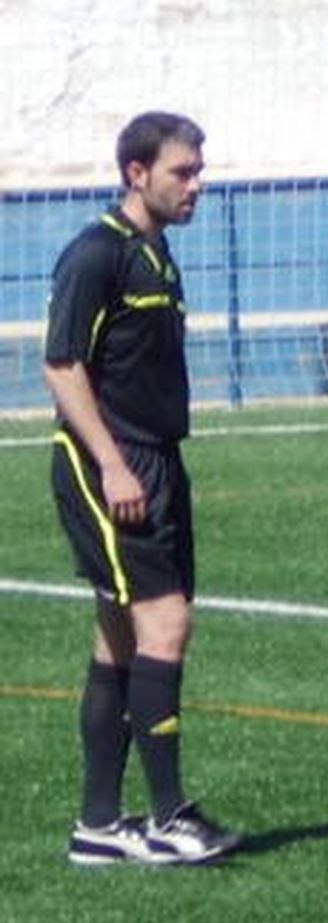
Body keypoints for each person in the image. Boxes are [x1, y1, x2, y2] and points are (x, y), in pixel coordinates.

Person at [44, 111, 241, 866]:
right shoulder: (96, 254)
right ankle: (168, 817)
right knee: (166, 625)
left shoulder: (155, 254)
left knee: (120, 636)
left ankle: (98, 826)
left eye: (199, 169)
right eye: (182, 171)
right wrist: (115, 464)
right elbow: (62, 367)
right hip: (112, 466)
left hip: (157, 459)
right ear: (137, 173)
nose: (197, 184)